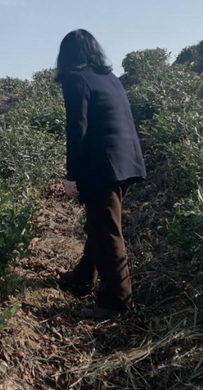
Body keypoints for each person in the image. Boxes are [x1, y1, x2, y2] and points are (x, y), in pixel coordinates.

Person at [55, 29, 146, 320]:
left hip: (103, 164)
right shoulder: (110, 77)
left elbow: (77, 127)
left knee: (107, 232)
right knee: (99, 224)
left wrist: (72, 175)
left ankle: (116, 303)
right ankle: (82, 277)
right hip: (127, 161)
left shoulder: (75, 78)